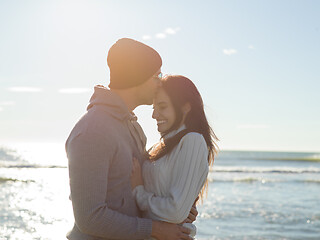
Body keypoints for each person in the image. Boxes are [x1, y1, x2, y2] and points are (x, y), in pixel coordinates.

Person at [65, 38, 196, 240]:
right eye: (156, 75)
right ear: (137, 76)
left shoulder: (132, 126)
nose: (161, 82)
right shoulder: (93, 131)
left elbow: (138, 189)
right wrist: (156, 229)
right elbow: (90, 217)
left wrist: (175, 210)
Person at [131, 75, 219, 239]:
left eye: (162, 107)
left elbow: (175, 211)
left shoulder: (192, 140)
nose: (154, 115)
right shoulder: (160, 146)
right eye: (154, 108)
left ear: (186, 108)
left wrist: (138, 192)